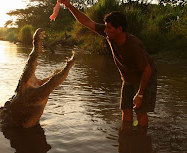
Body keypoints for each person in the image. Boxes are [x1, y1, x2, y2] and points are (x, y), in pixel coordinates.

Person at [58, 0, 157, 128]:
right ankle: (126, 137)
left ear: (119, 29)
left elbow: (147, 70)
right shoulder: (109, 34)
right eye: (105, 26)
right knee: (126, 108)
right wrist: (69, 5)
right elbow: (87, 22)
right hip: (128, 77)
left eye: (109, 27)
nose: (105, 30)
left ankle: (141, 139)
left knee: (140, 111)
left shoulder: (133, 45)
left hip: (145, 76)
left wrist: (140, 94)